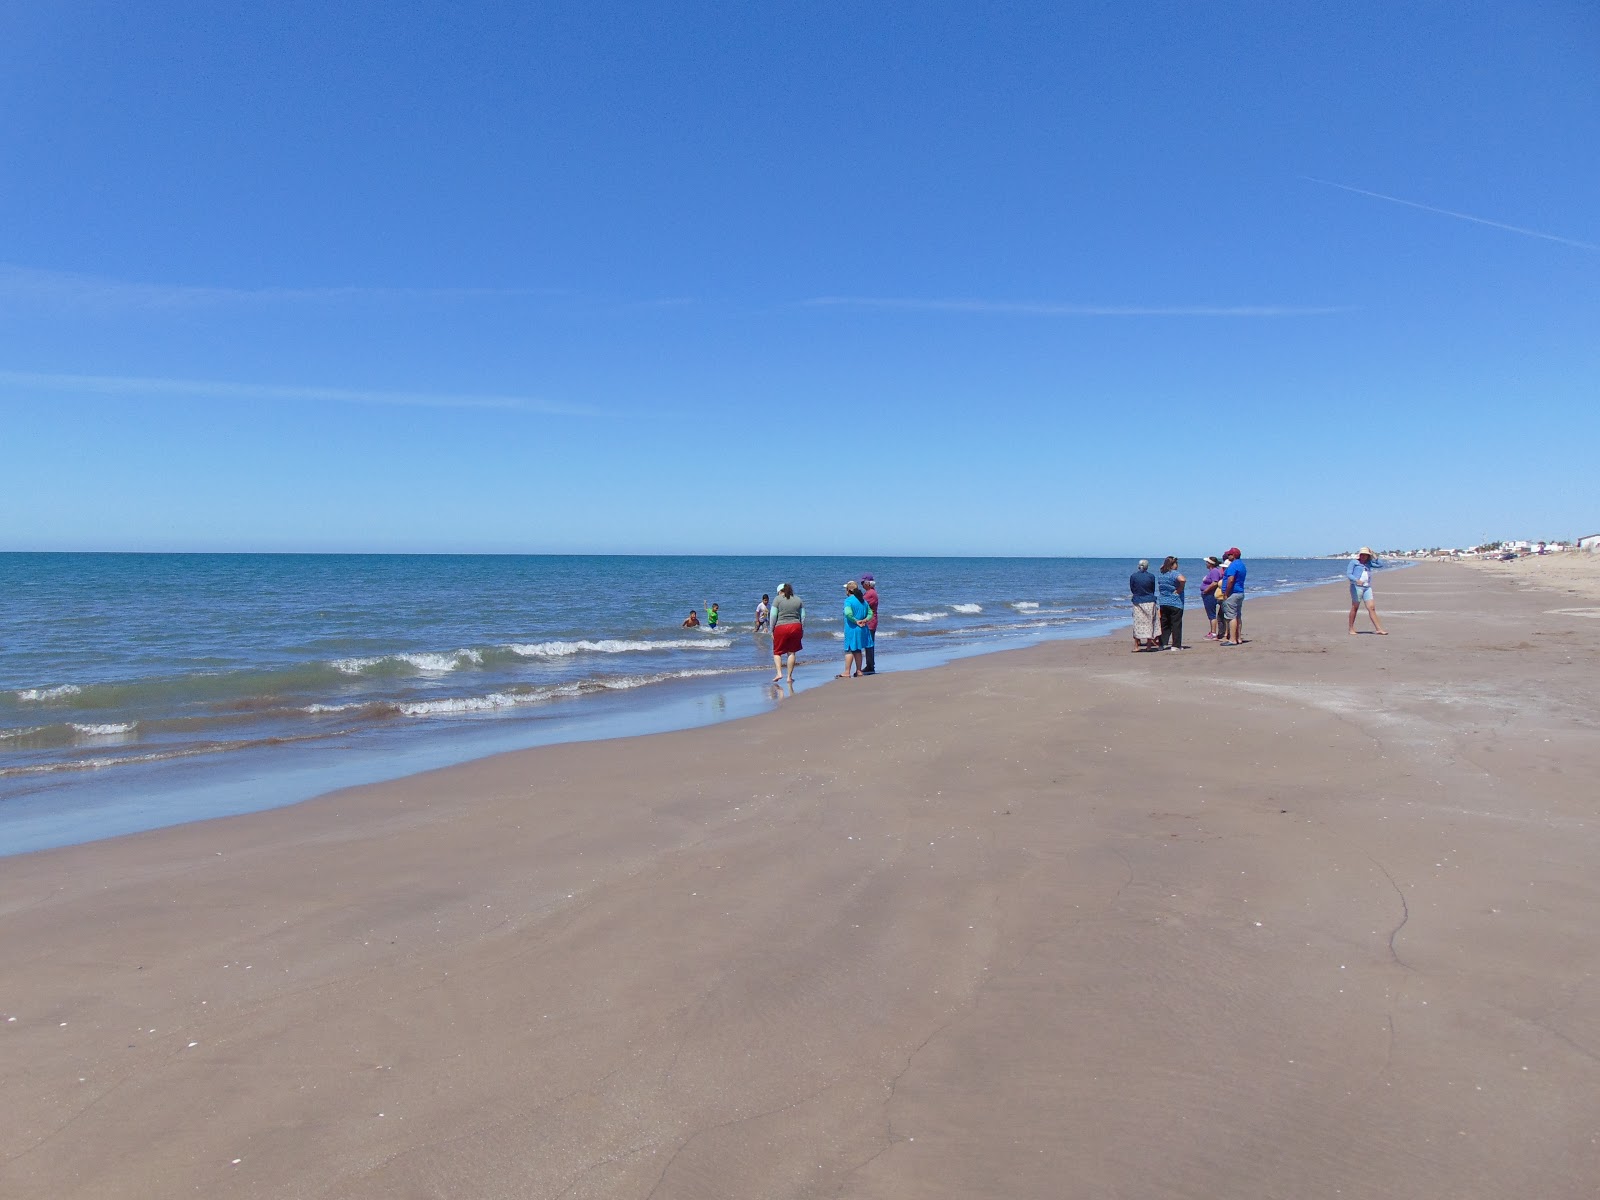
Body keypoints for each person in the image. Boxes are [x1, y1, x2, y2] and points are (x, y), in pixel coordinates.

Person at [1347, 547, 1388, 636]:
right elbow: (1349, 574)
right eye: (1362, 555)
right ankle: (1351, 628)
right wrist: (1356, 580)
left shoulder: (1369, 563)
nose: (1364, 556)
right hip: (1356, 587)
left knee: (1372, 608)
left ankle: (1379, 629)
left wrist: (1375, 556)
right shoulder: (1354, 562)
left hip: (1367, 587)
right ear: (1360, 555)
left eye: (1366, 555)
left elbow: (1380, 565)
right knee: (1355, 607)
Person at [770, 583, 804, 685]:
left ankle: (779, 673)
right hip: (796, 626)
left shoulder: (777, 599)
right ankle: (789, 677)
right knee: (791, 652)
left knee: (777, 652)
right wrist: (802, 629)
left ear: (781, 591)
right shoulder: (798, 600)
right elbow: (803, 616)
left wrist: (772, 630)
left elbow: (773, 616)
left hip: (781, 627)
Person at [840, 582, 871, 678]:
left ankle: (847, 671)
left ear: (848, 590)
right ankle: (859, 671)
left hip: (852, 629)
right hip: (862, 628)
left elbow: (848, 613)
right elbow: (870, 613)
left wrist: (856, 621)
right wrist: (865, 620)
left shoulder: (848, 601)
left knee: (849, 650)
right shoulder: (863, 600)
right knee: (858, 650)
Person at [1156, 556, 1186, 650]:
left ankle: (1162, 643)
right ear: (1173, 565)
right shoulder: (1174, 573)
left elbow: (1162, 568)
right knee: (1176, 624)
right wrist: (1180, 589)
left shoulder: (1162, 574)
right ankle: (1176, 645)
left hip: (1164, 602)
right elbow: (1182, 579)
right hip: (1175, 602)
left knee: (1164, 624)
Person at [1129, 559, 1159, 651]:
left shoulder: (1133, 576)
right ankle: (1149, 646)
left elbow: (1132, 588)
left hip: (1138, 601)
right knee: (1149, 622)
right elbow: (1152, 589)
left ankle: (1136, 646)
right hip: (1149, 600)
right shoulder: (1151, 576)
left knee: (1137, 623)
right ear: (1147, 567)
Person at [1219, 547, 1246, 646]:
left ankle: (1233, 639)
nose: (1228, 556)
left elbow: (1231, 580)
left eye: (1229, 554)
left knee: (1231, 616)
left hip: (1233, 593)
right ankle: (1238, 638)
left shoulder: (1233, 566)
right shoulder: (1241, 565)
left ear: (1233, 555)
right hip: (1239, 592)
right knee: (1237, 615)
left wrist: (1226, 593)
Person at [1199, 556, 1225, 640]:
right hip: (1208, 594)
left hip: (1210, 595)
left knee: (1211, 614)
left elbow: (1215, 583)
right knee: (1211, 613)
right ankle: (1212, 632)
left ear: (1210, 564)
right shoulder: (1213, 571)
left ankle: (1213, 633)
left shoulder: (1214, 571)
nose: (1206, 564)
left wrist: (1206, 590)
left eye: (1207, 562)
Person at [859, 573, 879, 674]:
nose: (862, 584)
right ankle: (869, 665)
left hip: (870, 622)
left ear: (868, 583)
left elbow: (861, 604)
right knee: (868, 644)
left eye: (863, 582)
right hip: (870, 621)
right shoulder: (870, 592)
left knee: (869, 644)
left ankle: (870, 666)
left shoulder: (870, 593)